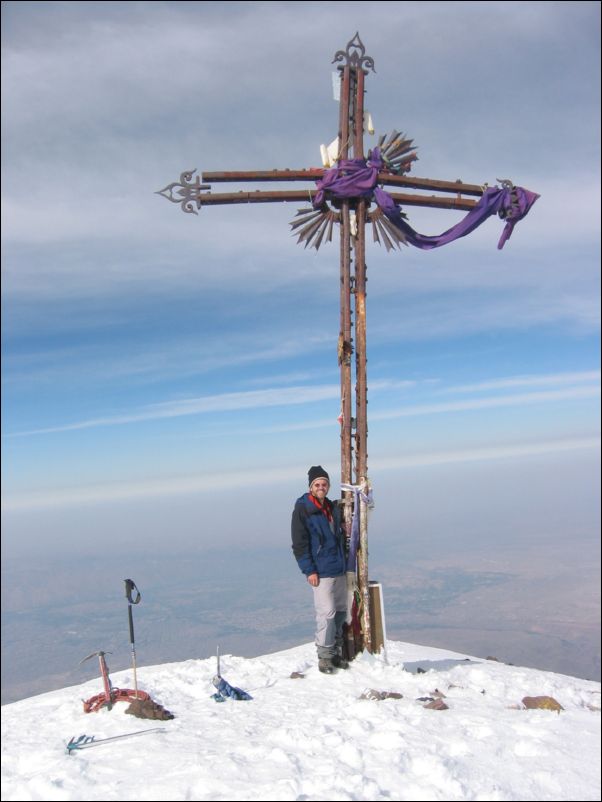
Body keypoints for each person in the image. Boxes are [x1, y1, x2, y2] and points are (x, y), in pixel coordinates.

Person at [291, 465, 349, 674]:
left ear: (328, 486)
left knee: (341, 610)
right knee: (326, 613)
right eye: (317, 484)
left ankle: (336, 652)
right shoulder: (303, 510)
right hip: (321, 571)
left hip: (339, 567)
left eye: (324, 484)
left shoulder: (331, 508)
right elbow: (299, 543)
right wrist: (309, 571)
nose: (321, 487)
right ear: (310, 487)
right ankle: (324, 657)